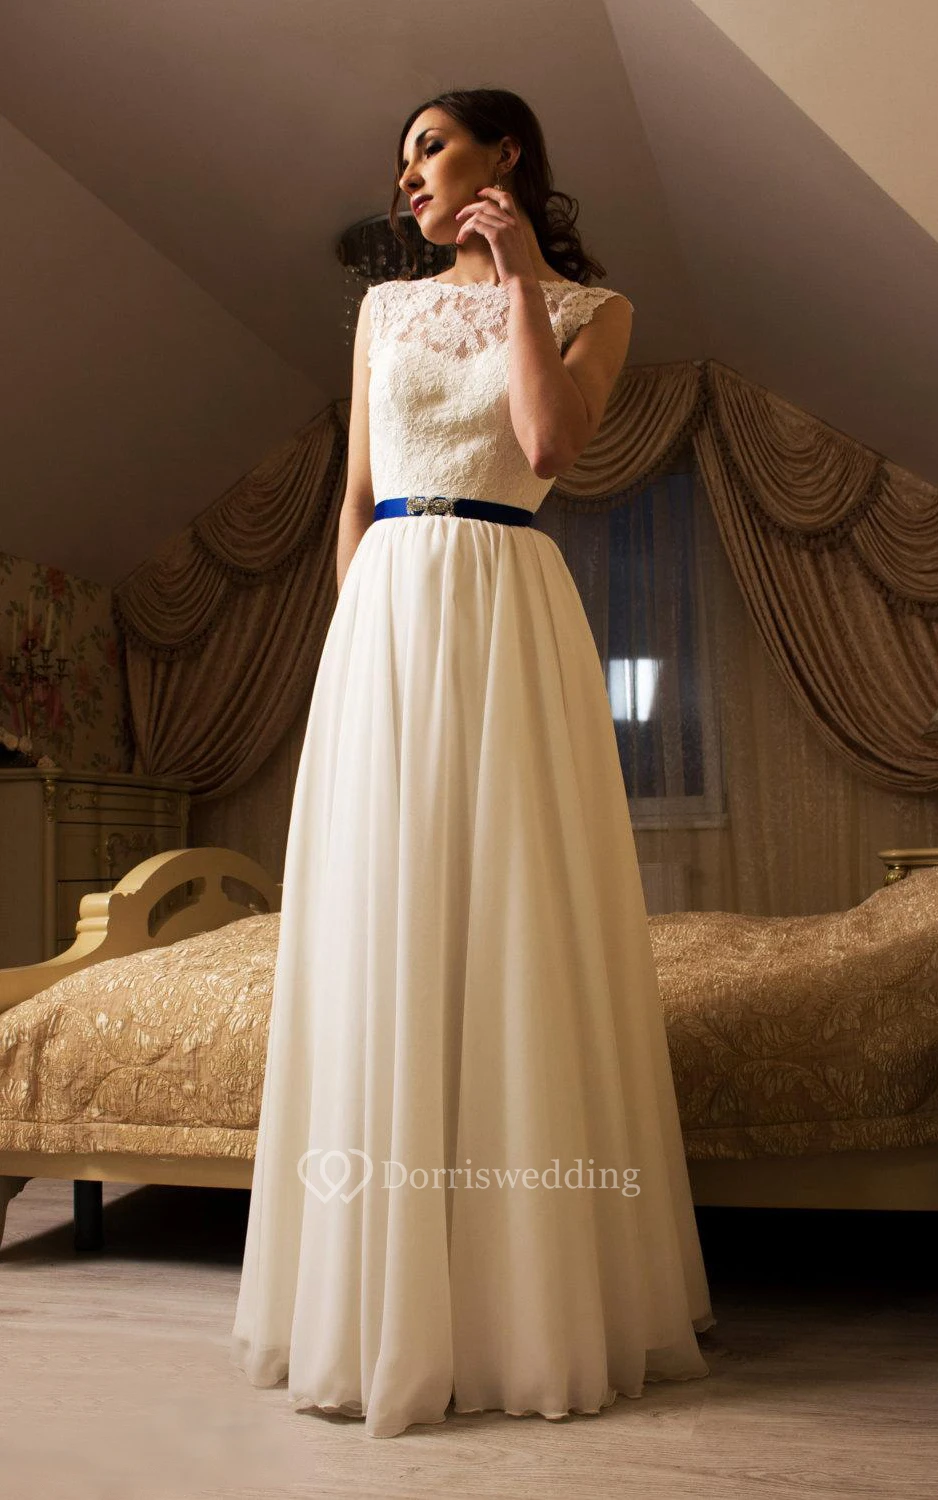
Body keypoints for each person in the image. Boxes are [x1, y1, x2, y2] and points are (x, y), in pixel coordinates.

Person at [230, 86, 715, 1440]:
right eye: (401, 157)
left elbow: (551, 445)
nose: (409, 175)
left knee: (510, 916)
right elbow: (350, 496)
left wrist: (518, 282)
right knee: (383, 920)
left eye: (432, 146)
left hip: (507, 605)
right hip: (386, 614)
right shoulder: (381, 311)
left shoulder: (594, 311)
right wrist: (350, 655)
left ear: (506, 154)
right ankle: (374, 1294)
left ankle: (521, 1305)